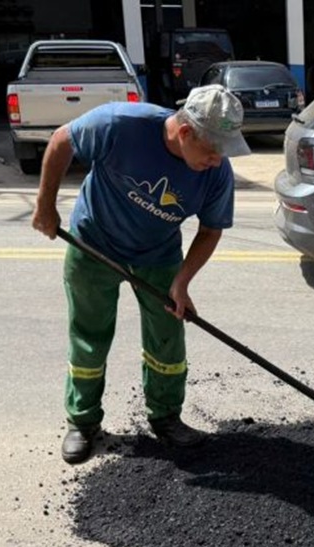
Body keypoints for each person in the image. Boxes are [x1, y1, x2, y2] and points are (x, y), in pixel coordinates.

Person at [30, 85, 250, 464]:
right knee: (89, 335)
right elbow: (62, 140)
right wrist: (45, 205)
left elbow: (211, 229)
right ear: (185, 133)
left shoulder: (216, 174)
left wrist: (181, 282)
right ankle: (83, 422)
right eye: (213, 149)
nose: (218, 159)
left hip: (157, 254)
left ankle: (166, 417)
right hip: (94, 243)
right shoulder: (120, 124)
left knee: (167, 337)